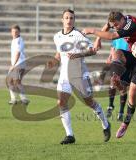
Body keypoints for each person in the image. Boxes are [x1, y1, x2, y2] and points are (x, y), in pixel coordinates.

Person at [82, 11, 136, 138]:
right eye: (114, 25)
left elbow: (112, 36)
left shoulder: (131, 25)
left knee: (132, 92)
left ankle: (125, 124)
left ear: (122, 20)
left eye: (117, 25)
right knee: (117, 52)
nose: (115, 27)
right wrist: (98, 40)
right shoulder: (118, 21)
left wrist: (92, 31)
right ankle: (116, 77)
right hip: (133, 55)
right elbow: (107, 26)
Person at [46, 9, 111, 145]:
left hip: (79, 73)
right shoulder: (57, 36)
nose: (69, 20)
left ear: (74, 20)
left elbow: (92, 50)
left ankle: (105, 124)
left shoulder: (78, 35)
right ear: (62, 20)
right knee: (61, 103)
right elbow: (59, 53)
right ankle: (70, 135)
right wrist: (54, 61)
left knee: (89, 102)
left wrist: (78, 55)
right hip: (64, 75)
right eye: (67, 18)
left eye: (71, 18)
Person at [101, 38, 131, 121]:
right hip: (116, 63)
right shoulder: (117, 37)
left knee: (123, 87)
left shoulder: (131, 36)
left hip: (127, 64)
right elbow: (113, 48)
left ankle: (121, 112)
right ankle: (111, 105)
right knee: (112, 83)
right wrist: (109, 57)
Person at [8, 24, 29, 105]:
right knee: (9, 81)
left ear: (19, 32)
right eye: (13, 32)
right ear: (11, 32)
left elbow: (18, 53)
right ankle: (13, 99)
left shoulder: (19, 41)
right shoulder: (14, 40)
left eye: (16, 32)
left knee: (17, 82)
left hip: (19, 64)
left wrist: (13, 64)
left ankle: (24, 99)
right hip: (16, 64)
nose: (14, 33)